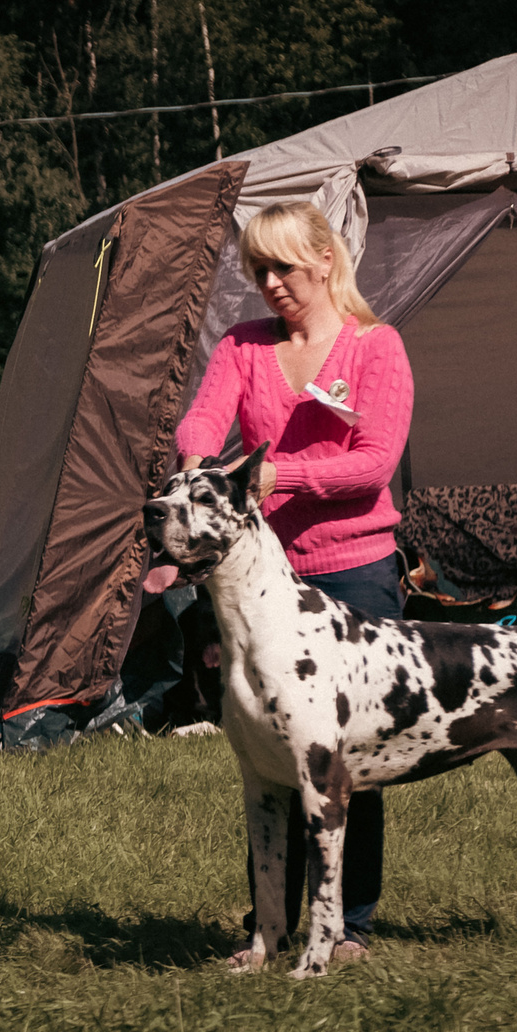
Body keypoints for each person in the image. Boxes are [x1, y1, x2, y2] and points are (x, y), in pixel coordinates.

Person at [175, 200, 414, 964]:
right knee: (264, 762)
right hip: (261, 589)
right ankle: (268, 929)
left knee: (349, 764)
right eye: (258, 270)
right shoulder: (243, 347)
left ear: (325, 261)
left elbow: (373, 463)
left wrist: (281, 472)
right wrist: (195, 463)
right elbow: (202, 424)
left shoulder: (377, 347)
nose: (271, 283)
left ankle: (350, 927)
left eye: (283, 267)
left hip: (357, 575)